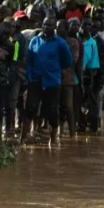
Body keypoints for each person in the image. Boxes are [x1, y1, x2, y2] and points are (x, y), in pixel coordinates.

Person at [23, 17, 72, 145]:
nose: (46, 28)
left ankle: (53, 138)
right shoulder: (35, 40)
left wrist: (54, 68)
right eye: (44, 25)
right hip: (35, 80)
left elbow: (67, 61)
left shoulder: (60, 43)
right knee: (30, 108)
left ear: (54, 27)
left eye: (49, 26)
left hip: (52, 81)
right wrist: (29, 76)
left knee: (52, 110)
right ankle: (23, 138)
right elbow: (29, 61)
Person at [57, 19, 81, 137]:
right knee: (56, 107)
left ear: (66, 29)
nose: (57, 30)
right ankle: (58, 133)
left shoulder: (73, 42)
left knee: (68, 107)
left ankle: (72, 134)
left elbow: (73, 61)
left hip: (67, 79)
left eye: (59, 27)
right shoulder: (54, 41)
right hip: (54, 78)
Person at [90, 16, 104, 132]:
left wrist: (101, 82)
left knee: (95, 104)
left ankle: (95, 127)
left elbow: (103, 65)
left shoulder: (101, 43)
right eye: (92, 26)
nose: (93, 29)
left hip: (96, 79)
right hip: (84, 77)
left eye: (96, 28)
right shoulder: (81, 39)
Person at [79, 17, 99, 132]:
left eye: (89, 25)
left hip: (86, 76)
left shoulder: (92, 43)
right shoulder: (74, 38)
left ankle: (93, 126)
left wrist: (88, 78)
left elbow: (93, 63)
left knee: (91, 102)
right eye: (85, 24)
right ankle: (80, 124)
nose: (87, 27)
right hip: (73, 75)